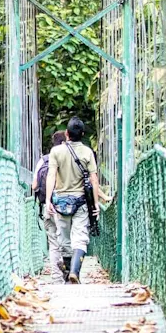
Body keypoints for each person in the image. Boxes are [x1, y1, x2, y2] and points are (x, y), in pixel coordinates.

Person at [45, 117, 103, 283]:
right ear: (82, 134)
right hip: (81, 202)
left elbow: (51, 175)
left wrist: (48, 200)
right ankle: (74, 272)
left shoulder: (56, 152)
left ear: (66, 134)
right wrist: (96, 204)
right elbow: (94, 179)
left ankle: (68, 272)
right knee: (80, 238)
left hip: (61, 202)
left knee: (64, 240)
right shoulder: (87, 152)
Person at [34, 131, 67, 277]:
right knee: (66, 240)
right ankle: (68, 271)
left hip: (47, 207)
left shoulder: (43, 160)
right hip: (64, 206)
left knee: (53, 242)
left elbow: (34, 185)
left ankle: (56, 277)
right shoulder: (68, 158)